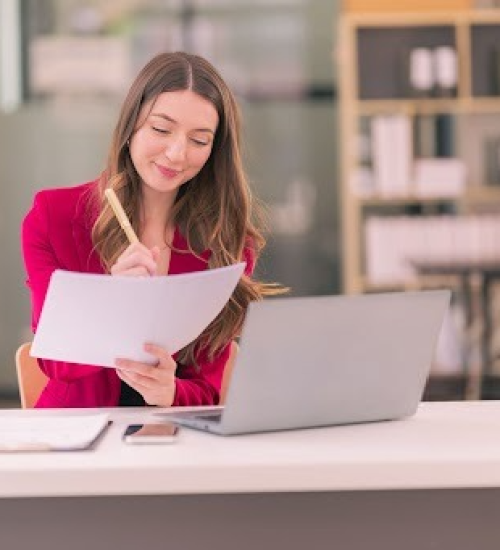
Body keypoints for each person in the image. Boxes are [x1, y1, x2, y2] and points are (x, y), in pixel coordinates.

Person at [22, 51, 282, 408]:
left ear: (214, 150)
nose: (177, 154)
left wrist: (171, 392)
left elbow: (207, 391)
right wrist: (111, 299)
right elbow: (55, 363)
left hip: (175, 441)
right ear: (131, 125)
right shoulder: (53, 217)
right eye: (161, 129)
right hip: (79, 438)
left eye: (199, 140)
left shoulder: (227, 242)